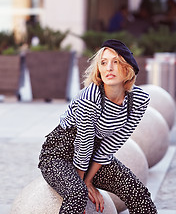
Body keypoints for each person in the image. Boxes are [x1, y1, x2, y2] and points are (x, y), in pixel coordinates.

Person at [38, 39, 158, 214]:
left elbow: (111, 144)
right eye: (103, 62)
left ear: (127, 68)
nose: (109, 67)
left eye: (115, 62)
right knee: (77, 194)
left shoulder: (138, 100)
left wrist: (89, 180)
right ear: (99, 70)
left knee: (138, 192)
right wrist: (82, 184)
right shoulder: (90, 97)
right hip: (58, 155)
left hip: (92, 157)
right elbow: (84, 142)